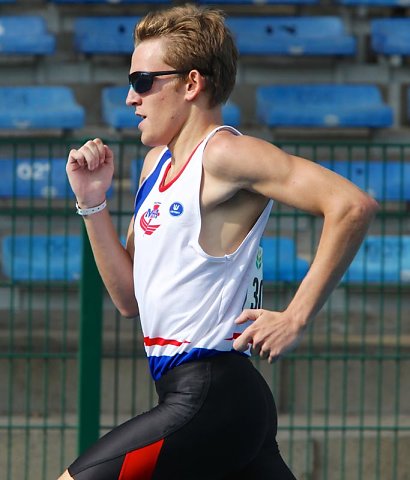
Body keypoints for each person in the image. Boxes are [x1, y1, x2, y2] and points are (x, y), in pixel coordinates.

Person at [59, 4, 378, 480]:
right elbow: (129, 299)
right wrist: (92, 203)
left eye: (143, 82)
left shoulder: (226, 153)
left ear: (191, 84)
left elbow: (351, 205)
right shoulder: (154, 166)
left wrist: (296, 316)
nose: (130, 98)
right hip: (200, 397)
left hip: (211, 394)